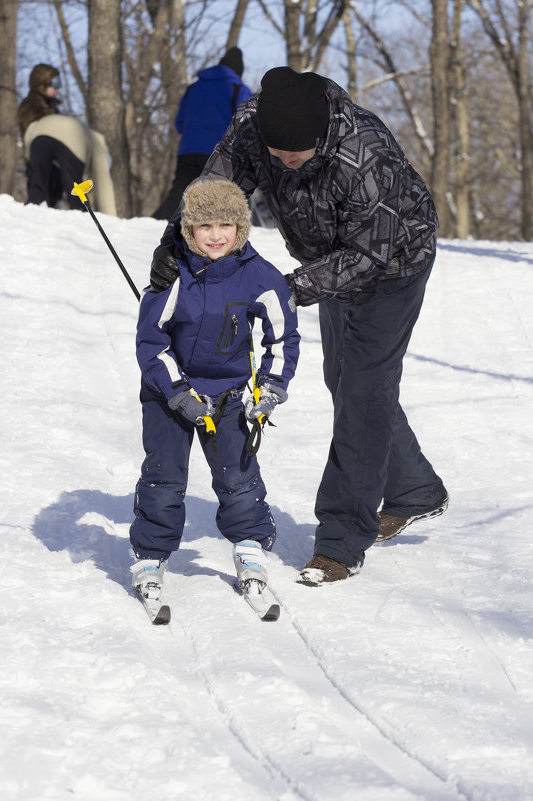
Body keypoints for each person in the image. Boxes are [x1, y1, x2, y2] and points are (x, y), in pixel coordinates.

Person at [149, 66, 449, 587]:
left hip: (392, 265)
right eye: (277, 154)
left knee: (362, 390)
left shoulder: (365, 152)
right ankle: (414, 489)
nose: (285, 163)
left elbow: (367, 255)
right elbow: (213, 193)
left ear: (322, 136)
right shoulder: (250, 126)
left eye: (297, 154)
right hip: (325, 256)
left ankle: (340, 539)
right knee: (346, 380)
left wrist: (285, 290)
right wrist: (175, 246)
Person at [129, 177, 300, 605]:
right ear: (189, 230)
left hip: (228, 395)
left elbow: (281, 338)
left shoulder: (260, 276)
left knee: (238, 477)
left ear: (241, 227)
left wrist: (272, 387)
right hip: (170, 393)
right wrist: (176, 391)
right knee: (164, 477)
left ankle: (249, 547)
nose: (216, 235)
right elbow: (152, 342)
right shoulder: (172, 274)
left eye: (226, 224)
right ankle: (151, 555)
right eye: (205, 227)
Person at [151, 47, 253, 221]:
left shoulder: (193, 88)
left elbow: (179, 124)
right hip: (220, 154)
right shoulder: (238, 89)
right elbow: (247, 127)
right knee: (222, 201)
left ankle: (151, 225)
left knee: (180, 195)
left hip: (188, 151)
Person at [18, 63, 116, 214]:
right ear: (41, 84)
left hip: (40, 142)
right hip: (64, 141)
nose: (58, 88)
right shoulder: (31, 105)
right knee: (74, 184)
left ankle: (36, 209)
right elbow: (103, 183)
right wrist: (110, 215)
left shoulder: (49, 106)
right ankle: (82, 213)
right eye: (54, 83)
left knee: (40, 184)